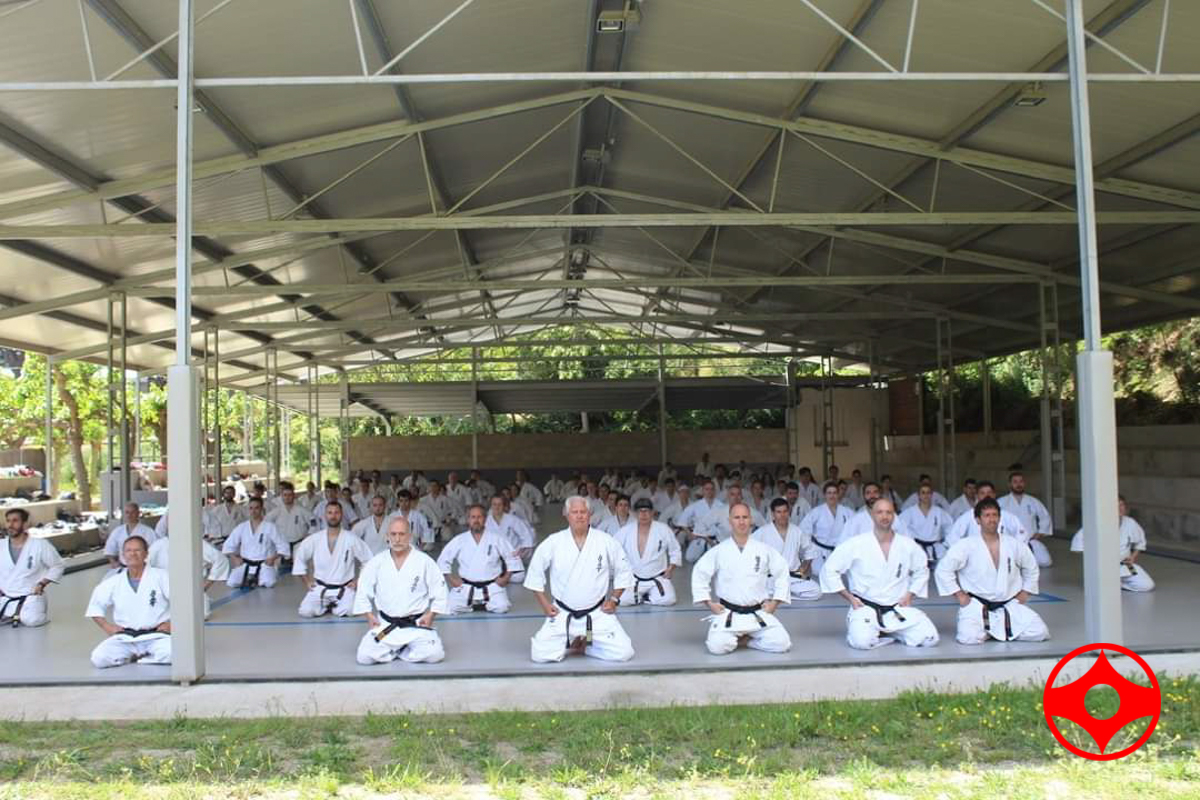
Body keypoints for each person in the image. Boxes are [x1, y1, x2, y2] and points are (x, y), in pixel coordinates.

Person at [525, 496, 634, 663]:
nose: (579, 516)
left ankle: (586, 645)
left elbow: (624, 570)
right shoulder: (554, 541)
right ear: (566, 515)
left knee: (624, 652)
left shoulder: (605, 540)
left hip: (596, 613)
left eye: (583, 512)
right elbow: (534, 573)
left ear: (589, 514)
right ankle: (572, 642)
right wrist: (545, 605)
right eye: (574, 512)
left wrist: (614, 600)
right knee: (539, 655)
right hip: (562, 612)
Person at [820, 498, 939, 650]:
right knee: (862, 642)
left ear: (894, 515)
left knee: (930, 638)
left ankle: (888, 631)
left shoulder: (907, 544)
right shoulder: (856, 543)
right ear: (872, 514)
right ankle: (881, 631)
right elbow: (829, 569)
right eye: (880, 512)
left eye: (889, 512)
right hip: (865, 607)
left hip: (897, 608)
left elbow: (922, 570)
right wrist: (850, 598)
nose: (884, 516)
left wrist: (910, 595)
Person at [936, 498, 1049, 644]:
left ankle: (991, 631)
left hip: (1010, 605)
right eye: (987, 515)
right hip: (977, 606)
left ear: (1000, 518)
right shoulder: (965, 545)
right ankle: (996, 630)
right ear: (978, 520)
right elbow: (943, 570)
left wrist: (1025, 593)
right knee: (968, 638)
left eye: (995, 515)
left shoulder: (1014, 544)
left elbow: (1031, 568)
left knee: (1040, 632)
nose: (992, 519)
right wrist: (960, 596)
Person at [692, 502, 791, 655]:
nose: (741, 521)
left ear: (751, 520)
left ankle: (746, 641)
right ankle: (740, 638)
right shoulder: (719, 550)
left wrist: (775, 603)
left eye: (745, 517)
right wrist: (709, 603)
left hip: (758, 612)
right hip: (728, 612)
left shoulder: (763, 549)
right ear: (730, 521)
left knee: (782, 644)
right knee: (717, 647)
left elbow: (782, 571)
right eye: (737, 517)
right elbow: (700, 574)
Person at [353, 516, 448, 665]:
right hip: (386, 626)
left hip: (416, 625)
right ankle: (399, 650)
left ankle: (399, 651)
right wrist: (369, 615)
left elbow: (440, 590)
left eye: (402, 534)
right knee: (364, 657)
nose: (397, 539)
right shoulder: (377, 562)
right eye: (393, 534)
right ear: (387, 536)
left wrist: (431, 614)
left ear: (410, 536)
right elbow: (363, 589)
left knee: (435, 655)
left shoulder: (424, 561)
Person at [86, 536, 171, 668]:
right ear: (123, 555)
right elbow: (95, 607)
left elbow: (182, 602)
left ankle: (143, 659)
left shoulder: (162, 576)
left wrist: (172, 624)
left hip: (157, 635)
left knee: (171, 653)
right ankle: (135, 656)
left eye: (137, 550)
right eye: (128, 551)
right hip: (125, 637)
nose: (133, 554)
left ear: (146, 554)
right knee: (99, 658)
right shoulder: (113, 581)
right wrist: (107, 627)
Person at [292, 501, 374, 618]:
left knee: (350, 610)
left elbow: (368, 560)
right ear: (325, 515)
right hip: (320, 587)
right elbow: (300, 557)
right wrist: (307, 582)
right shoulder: (315, 539)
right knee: (305, 611)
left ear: (341, 515)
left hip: (344, 588)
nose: (333, 516)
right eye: (330, 513)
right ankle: (328, 605)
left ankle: (332, 607)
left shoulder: (351, 538)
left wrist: (358, 581)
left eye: (336, 512)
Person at [439, 504, 521, 614]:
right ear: (468, 520)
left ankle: (476, 604)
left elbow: (512, 557)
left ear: (485, 519)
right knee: (450, 607)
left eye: (479, 517)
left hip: (492, 587)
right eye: (473, 517)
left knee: (502, 607)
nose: (476, 520)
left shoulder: (496, 538)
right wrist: (452, 580)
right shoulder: (459, 540)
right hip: (466, 586)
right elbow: (443, 560)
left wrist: (506, 578)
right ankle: (479, 604)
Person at [148, 516, 230, 619]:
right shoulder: (158, 545)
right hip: (164, 593)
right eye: (170, 522)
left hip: (192, 591)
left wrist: (206, 584)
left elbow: (221, 560)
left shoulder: (196, 542)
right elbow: (145, 566)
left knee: (197, 616)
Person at [1069, 496, 1155, 592]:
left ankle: (1120, 584)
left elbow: (1140, 543)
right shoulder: (1096, 523)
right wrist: (1096, 558)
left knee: (1147, 585)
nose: (1119, 508)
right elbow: (1077, 547)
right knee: (1105, 589)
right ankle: (1111, 582)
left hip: (1126, 564)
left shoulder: (1130, 522)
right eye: (1115, 506)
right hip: (1104, 566)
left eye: (1121, 505)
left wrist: (1133, 557)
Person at [0, 507, 65, 627]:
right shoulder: (1, 545)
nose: (10, 525)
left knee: (32, 620)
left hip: (30, 596)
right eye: (8, 521)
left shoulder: (39, 544)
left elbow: (58, 565)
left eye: (15, 521)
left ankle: (18, 614)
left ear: (25, 524)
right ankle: (12, 614)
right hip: (5, 596)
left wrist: (42, 584)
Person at [615, 498, 681, 606]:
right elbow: (614, 550)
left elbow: (675, 550)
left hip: (657, 577)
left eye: (647, 511)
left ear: (652, 513)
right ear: (634, 514)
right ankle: (644, 596)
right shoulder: (625, 531)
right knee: (622, 600)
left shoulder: (663, 529)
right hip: (634, 578)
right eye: (640, 511)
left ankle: (644, 597)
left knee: (668, 600)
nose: (643, 514)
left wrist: (671, 568)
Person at [752, 497, 820, 601]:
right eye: (778, 512)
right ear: (773, 514)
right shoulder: (763, 531)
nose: (782, 515)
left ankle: (782, 595)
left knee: (816, 591)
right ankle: (783, 594)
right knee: (757, 588)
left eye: (785, 511)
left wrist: (802, 570)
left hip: (792, 577)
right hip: (771, 578)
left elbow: (810, 551)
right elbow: (750, 551)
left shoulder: (797, 531)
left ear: (789, 512)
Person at [222, 497, 289, 589]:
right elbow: (228, 545)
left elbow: (283, 545)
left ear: (262, 509)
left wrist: (273, 558)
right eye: (251, 508)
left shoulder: (270, 527)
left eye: (256, 508)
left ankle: (256, 578)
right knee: (232, 583)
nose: (253, 511)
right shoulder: (242, 527)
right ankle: (250, 578)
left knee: (269, 583)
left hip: (264, 564)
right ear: (248, 510)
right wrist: (234, 558)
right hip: (245, 563)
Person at [945, 481, 1028, 548]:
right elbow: (952, 538)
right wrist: (965, 553)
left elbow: (1022, 535)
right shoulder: (968, 516)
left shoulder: (1007, 516)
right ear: (977, 496)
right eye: (982, 493)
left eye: (989, 492)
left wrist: (1012, 551)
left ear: (994, 495)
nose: (986, 496)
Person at [798, 481, 855, 576]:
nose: (832, 496)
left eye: (834, 493)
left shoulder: (847, 512)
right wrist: (810, 550)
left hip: (840, 553)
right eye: (829, 493)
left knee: (839, 577)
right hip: (820, 553)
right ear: (824, 495)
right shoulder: (816, 512)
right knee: (820, 576)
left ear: (838, 494)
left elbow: (856, 530)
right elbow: (803, 531)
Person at [998, 471, 1054, 568]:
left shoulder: (1033, 501)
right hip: (1009, 541)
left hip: (1030, 540)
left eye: (1021, 481)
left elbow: (1044, 516)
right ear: (1010, 484)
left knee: (1046, 561)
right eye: (1015, 482)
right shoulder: (1001, 502)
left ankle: (1025, 560)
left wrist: (1040, 532)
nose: (1018, 484)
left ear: (1024, 483)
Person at [898, 483, 954, 565]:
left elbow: (950, 528)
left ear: (932, 495)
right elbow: (899, 527)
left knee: (938, 570)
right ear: (919, 495)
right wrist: (908, 543)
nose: (926, 495)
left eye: (928, 493)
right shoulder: (910, 512)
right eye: (923, 492)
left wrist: (945, 544)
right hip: (916, 548)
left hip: (936, 549)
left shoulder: (939, 512)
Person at [678, 478, 728, 563]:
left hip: (715, 539)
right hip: (699, 538)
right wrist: (689, 534)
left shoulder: (721, 505)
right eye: (707, 489)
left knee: (717, 560)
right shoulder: (696, 505)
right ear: (702, 491)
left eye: (711, 489)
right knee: (690, 557)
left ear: (715, 491)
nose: (709, 491)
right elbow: (682, 520)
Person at [104, 502, 159, 573]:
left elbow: (155, 552)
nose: (129, 515)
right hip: (122, 568)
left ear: (138, 513)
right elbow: (109, 550)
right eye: (127, 512)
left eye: (133, 512)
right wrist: (114, 563)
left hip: (143, 569)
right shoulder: (117, 531)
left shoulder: (148, 531)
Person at [267, 482, 317, 554]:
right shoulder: (276, 511)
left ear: (294, 496)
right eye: (285, 495)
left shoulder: (301, 510)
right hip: (282, 545)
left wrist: (309, 534)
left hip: (299, 543)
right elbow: (266, 523)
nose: (287, 497)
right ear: (281, 496)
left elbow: (313, 520)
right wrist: (273, 537)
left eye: (290, 495)